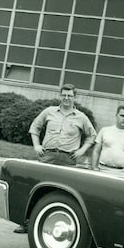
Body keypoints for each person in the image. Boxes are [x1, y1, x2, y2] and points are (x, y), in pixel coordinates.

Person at [14, 83, 96, 233]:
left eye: (70, 96)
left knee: (65, 192)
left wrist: (82, 151)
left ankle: (57, 223)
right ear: (60, 95)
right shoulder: (49, 111)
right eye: (64, 95)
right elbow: (35, 128)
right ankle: (26, 223)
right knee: (38, 189)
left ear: (74, 97)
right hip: (48, 156)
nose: (66, 98)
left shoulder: (81, 117)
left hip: (68, 160)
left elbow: (92, 136)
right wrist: (37, 145)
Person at [90, 105, 124, 172]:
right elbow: (96, 151)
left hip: (123, 172)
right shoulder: (105, 131)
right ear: (116, 116)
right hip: (103, 169)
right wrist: (94, 167)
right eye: (122, 115)